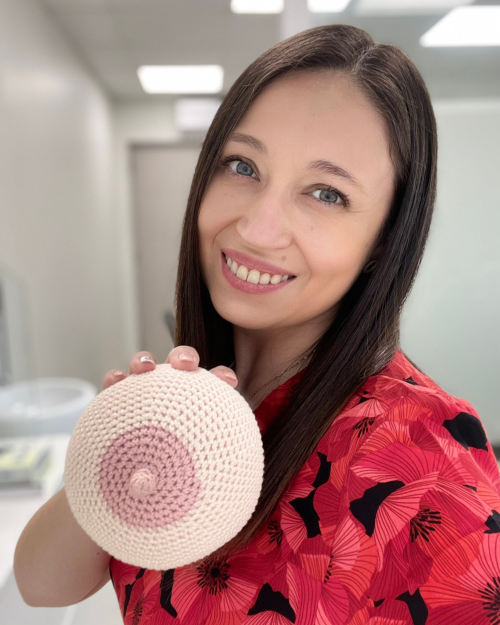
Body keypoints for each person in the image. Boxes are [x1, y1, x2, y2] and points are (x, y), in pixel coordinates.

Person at [14, 24, 500, 625]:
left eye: (326, 194)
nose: (257, 229)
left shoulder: (421, 459)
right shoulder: (192, 399)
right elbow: (39, 585)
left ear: (384, 241)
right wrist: (112, 453)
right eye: (242, 165)